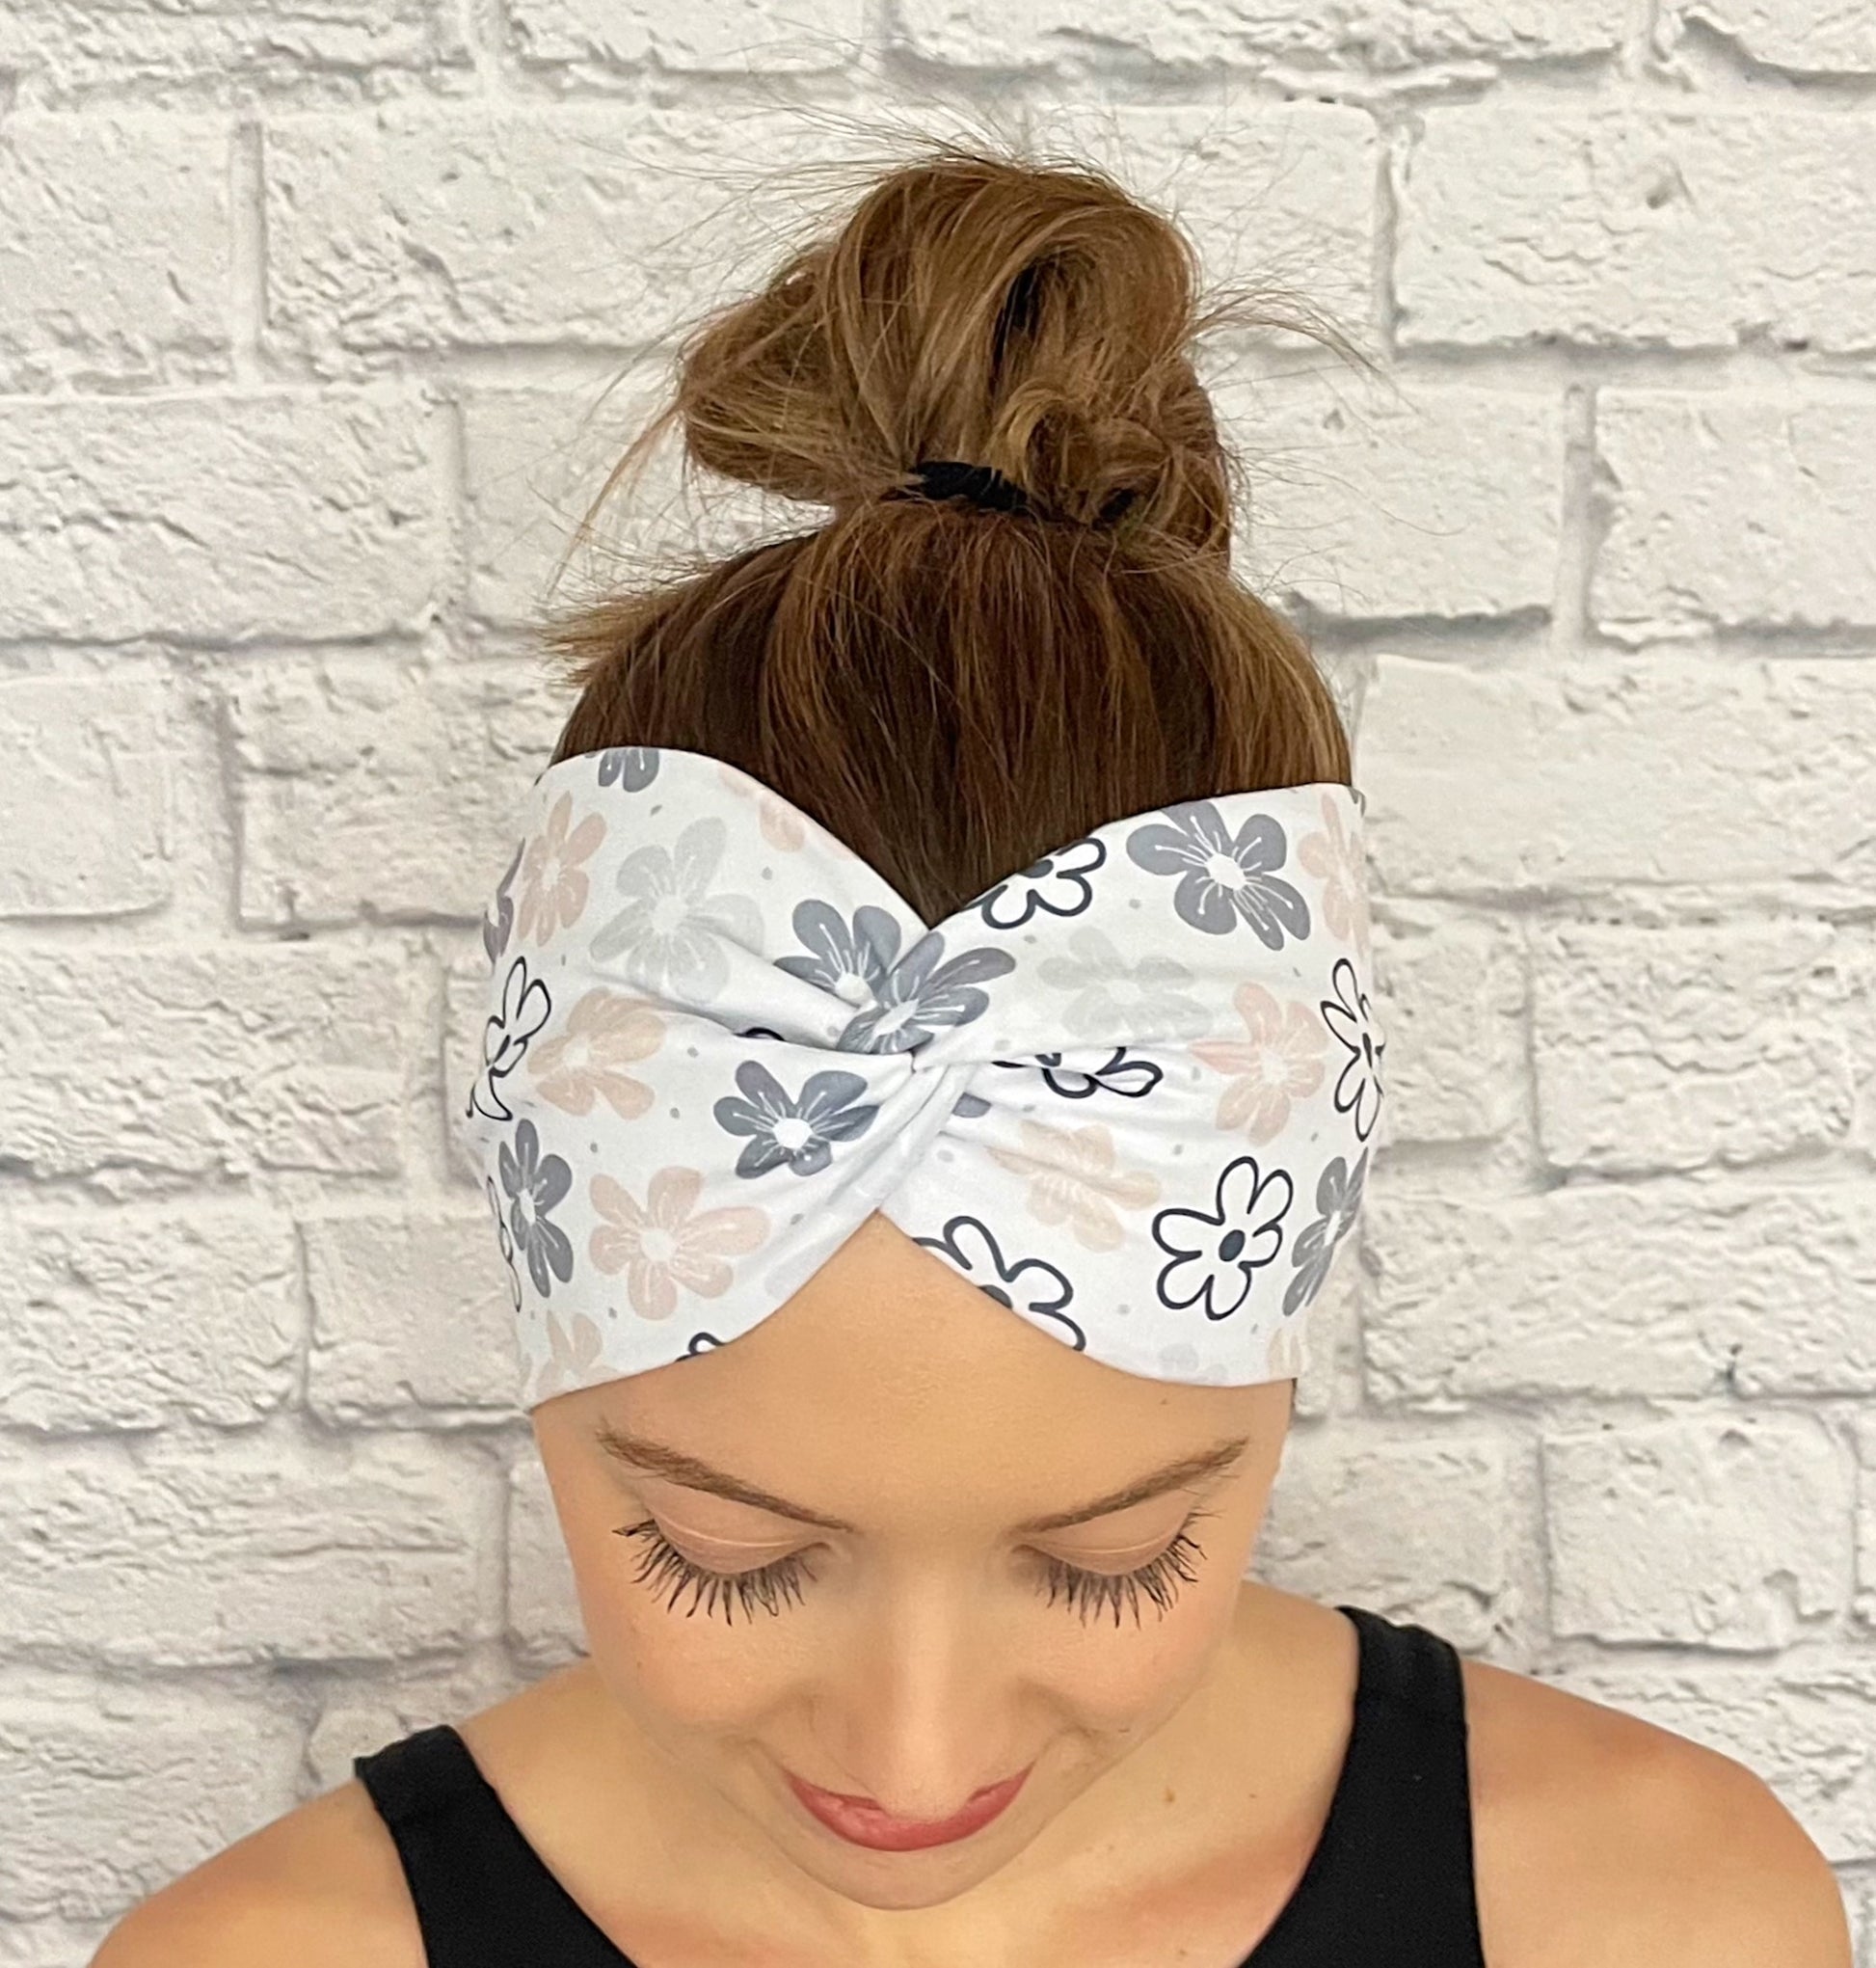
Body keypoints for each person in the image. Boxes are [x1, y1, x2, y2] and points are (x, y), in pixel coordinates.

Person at [94, 143, 1850, 1968]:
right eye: (719, 1550)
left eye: (1119, 1560)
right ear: (541, 1340)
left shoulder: (1650, 1920)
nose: (912, 1753)